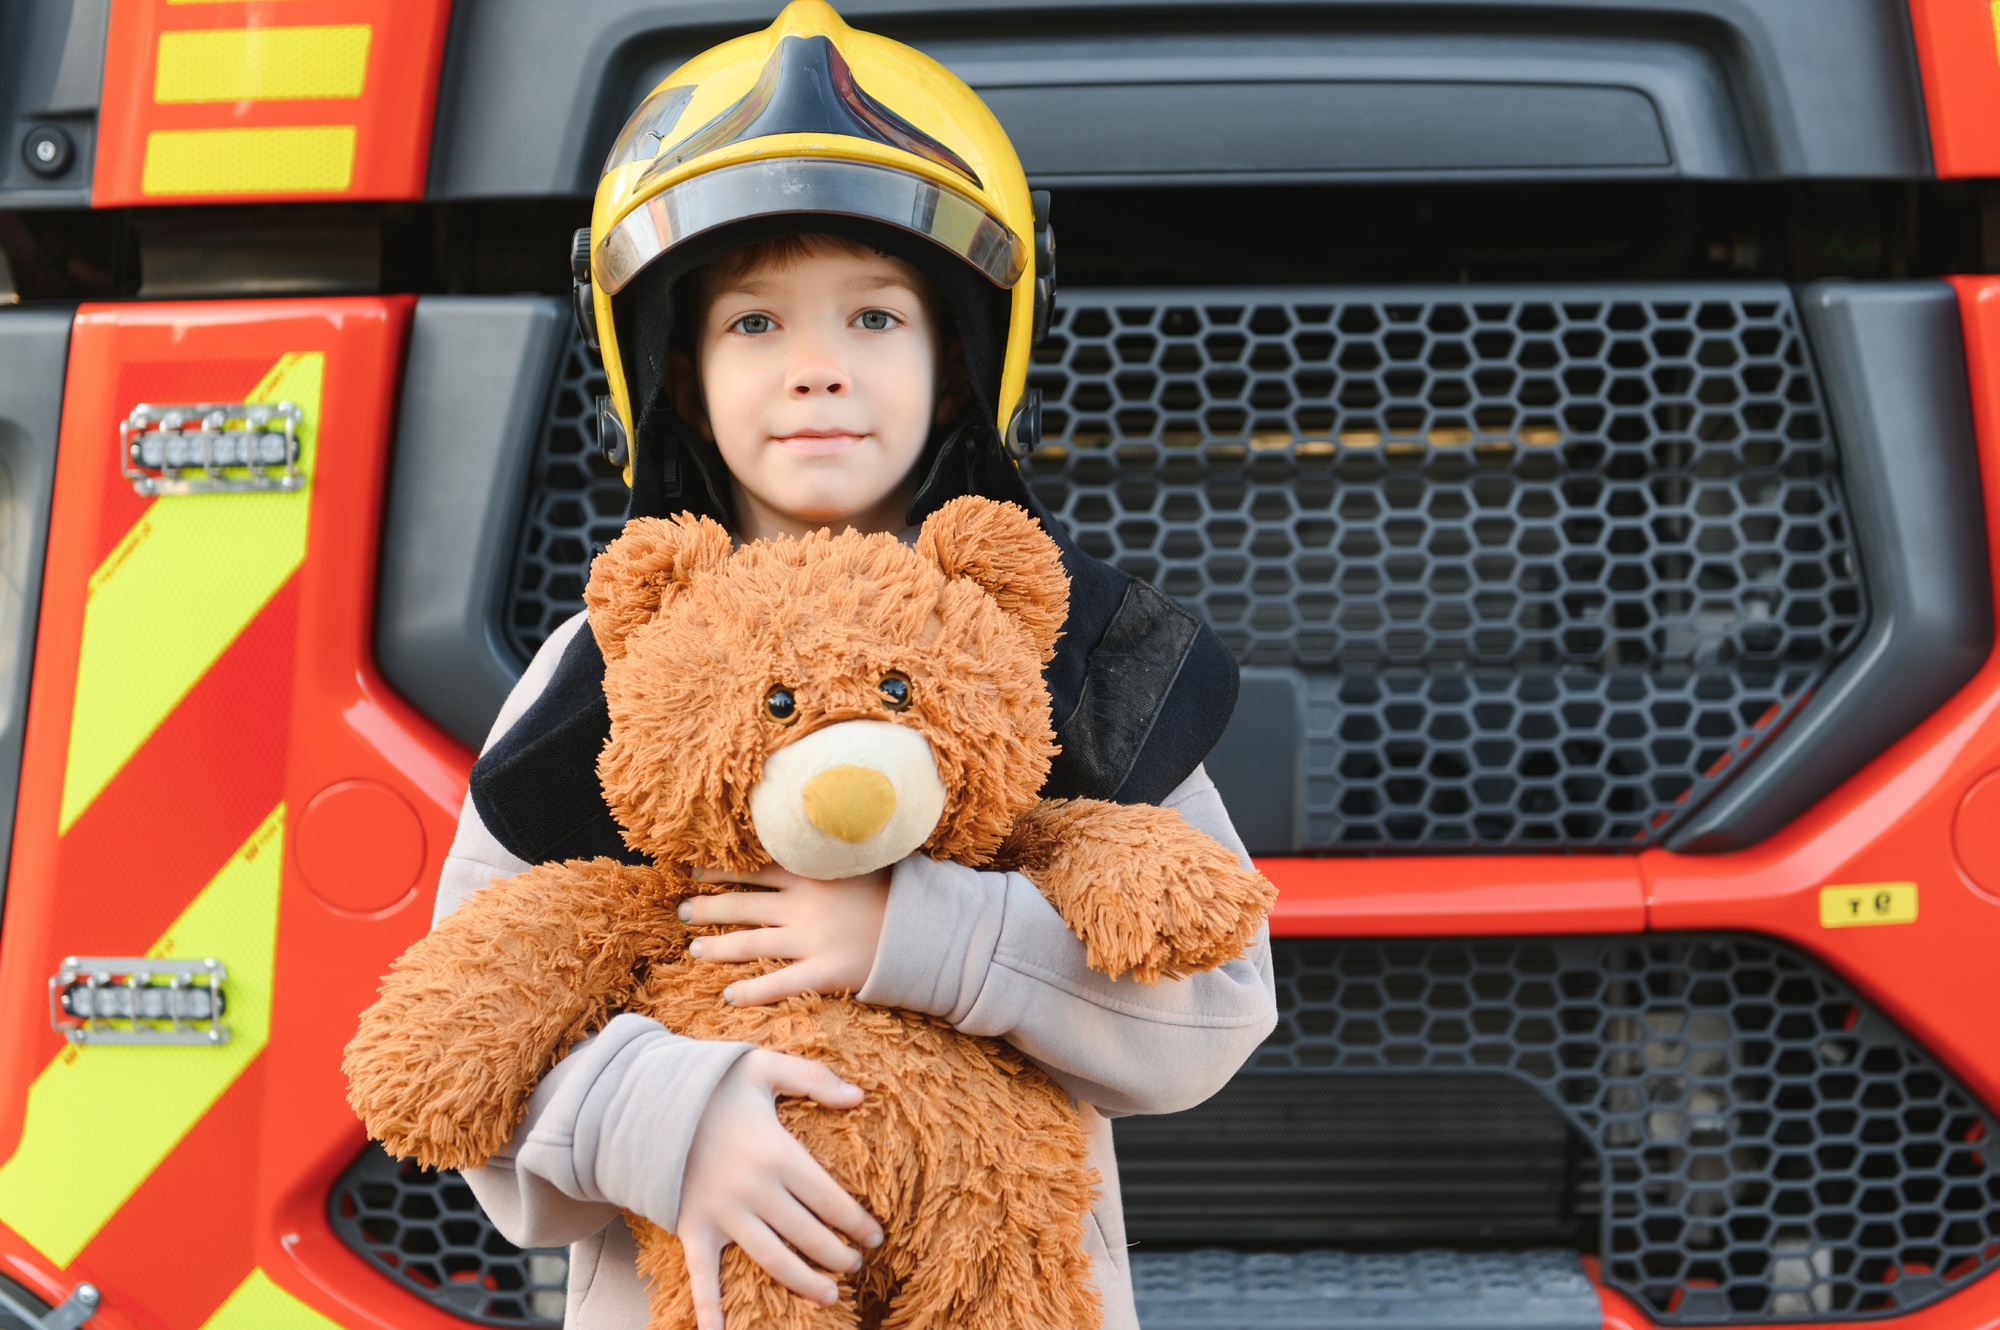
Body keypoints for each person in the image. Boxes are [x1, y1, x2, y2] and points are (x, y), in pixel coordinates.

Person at [431, 5, 1277, 1327]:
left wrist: (922, 938)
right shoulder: (606, 672)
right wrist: (668, 1117)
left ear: (956, 367)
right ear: (676, 373)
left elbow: (1217, 1008)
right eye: (756, 325)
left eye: (874, 318)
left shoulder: (1060, 647)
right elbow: (471, 1042)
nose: (818, 370)